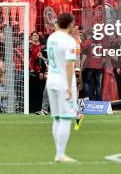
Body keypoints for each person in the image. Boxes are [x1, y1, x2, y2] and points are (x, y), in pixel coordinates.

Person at [45, 12, 78, 163]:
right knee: (65, 119)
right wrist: (70, 87)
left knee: (57, 119)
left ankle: (59, 153)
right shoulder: (69, 41)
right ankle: (60, 154)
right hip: (64, 83)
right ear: (70, 24)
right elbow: (70, 64)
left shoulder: (52, 38)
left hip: (51, 81)